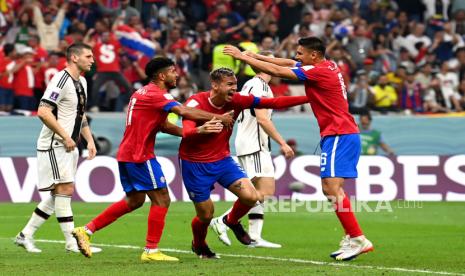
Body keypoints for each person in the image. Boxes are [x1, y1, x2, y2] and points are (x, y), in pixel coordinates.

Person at [223, 36, 374, 261]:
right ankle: (353, 237)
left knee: (331, 189)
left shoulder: (318, 71)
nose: (296, 56)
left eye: (300, 53)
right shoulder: (327, 65)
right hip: (342, 133)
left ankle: (358, 238)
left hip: (338, 133)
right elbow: (286, 63)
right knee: (333, 189)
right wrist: (254, 56)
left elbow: (280, 71)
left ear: (313, 55)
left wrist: (241, 56)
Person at [71, 57, 234, 262]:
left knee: (135, 200)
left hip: (128, 153)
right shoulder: (157, 94)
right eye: (173, 71)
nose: (177, 75)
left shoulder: (142, 92)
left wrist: (194, 131)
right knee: (162, 199)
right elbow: (183, 111)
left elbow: (164, 125)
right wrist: (219, 118)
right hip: (140, 154)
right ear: (162, 75)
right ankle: (150, 250)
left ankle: (86, 230)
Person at [179, 67, 308, 258]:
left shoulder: (237, 100)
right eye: (229, 85)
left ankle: (231, 221)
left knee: (251, 196)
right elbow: (185, 131)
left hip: (222, 160)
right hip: (195, 164)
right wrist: (201, 130)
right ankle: (199, 244)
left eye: (235, 85)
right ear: (215, 85)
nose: (234, 89)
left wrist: (310, 98)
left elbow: (273, 102)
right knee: (206, 215)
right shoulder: (195, 101)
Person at [14, 43, 100, 254]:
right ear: (74, 58)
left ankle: (25, 235)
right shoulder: (61, 80)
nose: (92, 60)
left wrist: (89, 140)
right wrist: (64, 135)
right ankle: (72, 242)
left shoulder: (83, 82)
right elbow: (43, 111)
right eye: (88, 56)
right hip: (55, 144)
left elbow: (81, 115)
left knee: (58, 195)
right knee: (65, 190)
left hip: (70, 144)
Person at [210, 54, 295, 249]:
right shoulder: (260, 86)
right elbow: (263, 118)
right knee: (263, 191)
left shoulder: (250, 84)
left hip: (250, 142)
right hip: (254, 144)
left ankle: (255, 236)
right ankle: (224, 220)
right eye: (274, 64)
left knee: (257, 192)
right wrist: (283, 142)